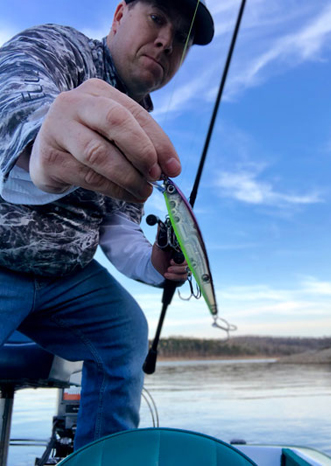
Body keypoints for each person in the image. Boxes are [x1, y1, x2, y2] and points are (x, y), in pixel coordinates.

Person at [0, 0, 214, 451]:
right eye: (157, 19)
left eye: (181, 39)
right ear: (119, 16)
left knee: (126, 333)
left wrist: (158, 263)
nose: (166, 42)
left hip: (68, 278)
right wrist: (42, 144)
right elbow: (15, 93)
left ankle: (105, 458)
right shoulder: (59, 48)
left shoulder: (142, 126)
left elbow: (118, 228)